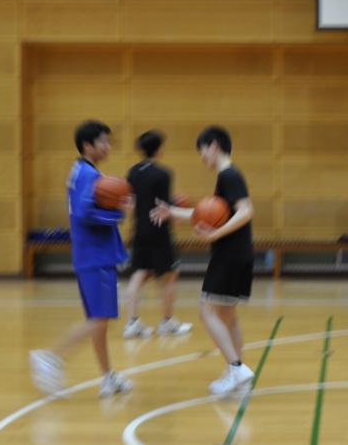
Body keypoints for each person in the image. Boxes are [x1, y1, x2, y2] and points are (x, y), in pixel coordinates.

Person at [30, 120, 133, 397]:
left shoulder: (81, 171)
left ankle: (108, 377)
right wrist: (119, 212)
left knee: (99, 320)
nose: (108, 146)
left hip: (90, 255)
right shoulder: (88, 175)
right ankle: (51, 357)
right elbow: (85, 214)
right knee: (99, 319)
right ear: (88, 146)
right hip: (96, 256)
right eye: (103, 141)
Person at [152, 126, 255, 395]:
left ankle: (236, 368)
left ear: (213, 146)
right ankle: (236, 371)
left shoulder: (229, 175)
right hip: (239, 253)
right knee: (228, 315)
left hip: (229, 254)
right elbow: (206, 213)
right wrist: (172, 212)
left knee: (206, 311)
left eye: (202, 151)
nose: (202, 158)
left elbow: (246, 211)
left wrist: (215, 234)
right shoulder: (228, 176)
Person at [123, 130, 192, 338]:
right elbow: (163, 205)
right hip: (159, 230)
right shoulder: (163, 173)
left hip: (139, 229)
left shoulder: (133, 171)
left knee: (139, 274)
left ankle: (132, 323)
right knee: (170, 275)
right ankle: (167, 322)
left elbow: (131, 202)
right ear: (159, 149)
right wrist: (176, 211)